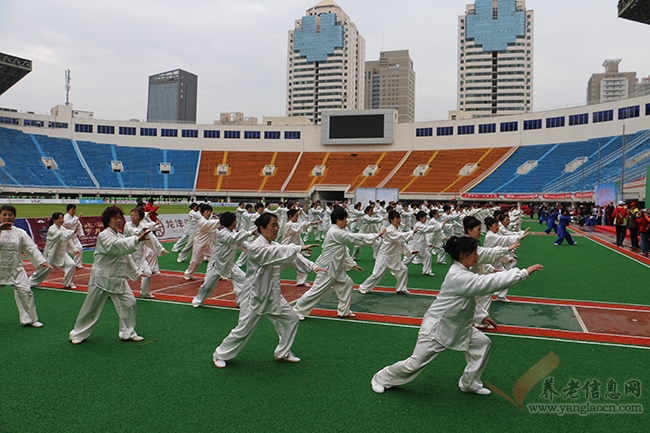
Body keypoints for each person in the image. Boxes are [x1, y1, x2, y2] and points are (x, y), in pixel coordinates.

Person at [370, 236, 543, 395]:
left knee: (483, 344)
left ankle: (469, 383)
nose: (477, 255)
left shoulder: (464, 273)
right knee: (414, 364)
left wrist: (480, 316)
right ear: (462, 255)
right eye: (474, 252)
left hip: (459, 325)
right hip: (438, 328)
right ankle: (382, 377)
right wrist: (523, 273)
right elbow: (487, 283)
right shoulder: (458, 276)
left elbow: (464, 301)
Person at [212, 213, 325, 368]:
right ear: (261, 228)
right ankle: (219, 354)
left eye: (277, 225)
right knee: (244, 329)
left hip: (272, 294)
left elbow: (291, 258)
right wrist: (297, 247)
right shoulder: (256, 247)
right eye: (273, 225)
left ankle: (283, 352)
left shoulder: (274, 246)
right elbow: (276, 254)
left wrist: (312, 266)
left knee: (291, 318)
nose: (276, 228)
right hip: (255, 295)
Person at [68, 206, 151, 344]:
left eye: (120, 217)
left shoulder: (120, 236)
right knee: (91, 308)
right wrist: (136, 240)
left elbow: (126, 256)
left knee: (129, 303)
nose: (118, 220)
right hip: (101, 278)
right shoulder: (104, 235)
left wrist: (137, 272)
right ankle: (77, 334)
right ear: (108, 220)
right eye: (115, 218)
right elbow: (117, 246)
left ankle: (127, 332)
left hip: (118, 277)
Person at [293, 206, 384, 320]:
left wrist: (352, 264)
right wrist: (375, 235)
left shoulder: (338, 231)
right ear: (338, 220)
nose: (346, 221)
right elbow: (354, 238)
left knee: (347, 284)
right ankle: (297, 311)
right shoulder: (335, 232)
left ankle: (343, 311)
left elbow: (344, 251)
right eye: (345, 219)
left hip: (337, 267)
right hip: (327, 267)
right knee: (316, 291)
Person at [0, 204, 52, 328]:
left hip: (16, 268)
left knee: (26, 292)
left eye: (10, 215)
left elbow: (31, 247)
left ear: (14, 217)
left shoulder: (20, 232)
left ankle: (30, 319)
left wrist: (41, 261)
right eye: (4, 214)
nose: (7, 217)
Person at [191, 212, 257, 307]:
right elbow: (232, 239)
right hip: (216, 265)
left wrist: (257, 250)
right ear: (229, 222)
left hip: (230, 265)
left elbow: (242, 244)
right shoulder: (222, 234)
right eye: (234, 221)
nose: (236, 222)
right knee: (207, 285)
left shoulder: (234, 234)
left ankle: (241, 301)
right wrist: (250, 233)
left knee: (244, 280)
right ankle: (198, 300)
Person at [358, 210, 418, 295]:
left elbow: (401, 243)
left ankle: (401, 288)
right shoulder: (390, 230)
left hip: (393, 257)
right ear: (391, 220)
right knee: (376, 274)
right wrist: (412, 232)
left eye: (399, 218)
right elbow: (400, 237)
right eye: (396, 218)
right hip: (384, 256)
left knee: (403, 269)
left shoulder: (397, 229)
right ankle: (363, 287)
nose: (399, 220)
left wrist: (410, 251)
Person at [124, 207, 168, 298]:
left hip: (140, 256)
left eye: (135, 215)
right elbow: (135, 232)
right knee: (121, 275)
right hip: (128, 256)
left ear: (140, 217)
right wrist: (146, 229)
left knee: (148, 273)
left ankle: (145, 293)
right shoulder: (128, 225)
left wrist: (160, 249)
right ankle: (111, 291)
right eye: (131, 215)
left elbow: (152, 237)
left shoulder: (143, 226)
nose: (133, 217)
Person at [29, 212, 77, 289]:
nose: (61, 220)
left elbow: (68, 239)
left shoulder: (62, 228)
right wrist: (73, 232)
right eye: (59, 219)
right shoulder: (52, 230)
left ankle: (67, 283)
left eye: (62, 218)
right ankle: (30, 282)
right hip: (51, 254)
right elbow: (62, 237)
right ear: (54, 220)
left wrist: (74, 249)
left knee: (71, 265)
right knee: (43, 270)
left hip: (61, 253)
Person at [281, 208, 319, 287]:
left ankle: (301, 282)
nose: (297, 218)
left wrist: (304, 249)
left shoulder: (294, 225)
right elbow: (299, 226)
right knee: (277, 267)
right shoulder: (289, 225)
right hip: (285, 249)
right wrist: (311, 223)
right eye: (296, 216)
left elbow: (298, 240)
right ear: (290, 216)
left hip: (293, 250)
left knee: (302, 264)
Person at [183, 204, 221, 281]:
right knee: (195, 262)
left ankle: (217, 274)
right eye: (207, 211)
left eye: (210, 211)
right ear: (202, 213)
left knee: (215, 260)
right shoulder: (201, 221)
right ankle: (188, 274)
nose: (209, 213)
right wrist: (222, 220)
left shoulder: (210, 221)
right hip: (200, 244)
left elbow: (215, 231)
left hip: (209, 245)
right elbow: (208, 225)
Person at [63, 204, 85, 269]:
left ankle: (77, 263)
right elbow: (68, 224)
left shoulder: (75, 218)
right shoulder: (65, 217)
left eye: (74, 210)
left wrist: (81, 235)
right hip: (67, 236)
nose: (74, 211)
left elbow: (79, 226)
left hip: (74, 237)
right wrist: (77, 219)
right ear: (68, 210)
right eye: (72, 210)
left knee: (79, 248)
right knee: (63, 250)